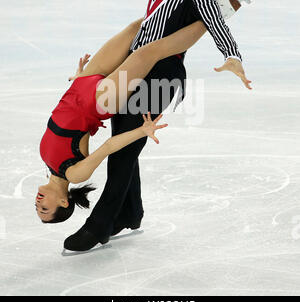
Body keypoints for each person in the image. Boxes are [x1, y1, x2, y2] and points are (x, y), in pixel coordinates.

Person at [64, 0, 252, 252]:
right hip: (138, 67)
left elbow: (215, 21)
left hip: (160, 75)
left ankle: (101, 225)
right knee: (122, 140)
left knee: (122, 150)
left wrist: (232, 56)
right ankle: (131, 213)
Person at [37, 19, 210, 226]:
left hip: (82, 84)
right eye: (45, 208)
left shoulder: (49, 164)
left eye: (37, 208)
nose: (38, 203)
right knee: (148, 52)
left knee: (135, 28)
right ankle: (211, 17)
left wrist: (79, 76)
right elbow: (109, 146)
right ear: (64, 202)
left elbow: (62, 115)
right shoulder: (74, 174)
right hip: (100, 100)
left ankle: (179, 2)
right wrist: (142, 130)